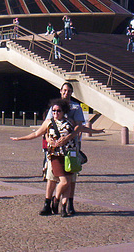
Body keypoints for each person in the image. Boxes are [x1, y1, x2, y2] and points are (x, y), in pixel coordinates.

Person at [11, 98, 104, 217]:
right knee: (63, 181)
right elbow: (36, 134)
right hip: (55, 155)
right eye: (53, 111)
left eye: (58, 111)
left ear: (63, 111)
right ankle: (55, 199)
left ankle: (63, 207)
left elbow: (81, 129)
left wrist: (98, 131)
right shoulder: (49, 122)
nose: (55, 113)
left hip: (69, 155)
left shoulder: (70, 121)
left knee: (68, 182)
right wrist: (19, 138)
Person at [42, 82, 85, 216]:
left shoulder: (75, 107)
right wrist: (48, 139)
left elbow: (78, 126)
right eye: (64, 90)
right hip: (54, 148)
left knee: (70, 176)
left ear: (72, 93)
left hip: (71, 146)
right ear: (60, 91)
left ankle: (68, 204)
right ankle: (47, 204)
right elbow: (46, 126)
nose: (66, 93)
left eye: (69, 91)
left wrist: (68, 138)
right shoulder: (54, 107)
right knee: (51, 176)